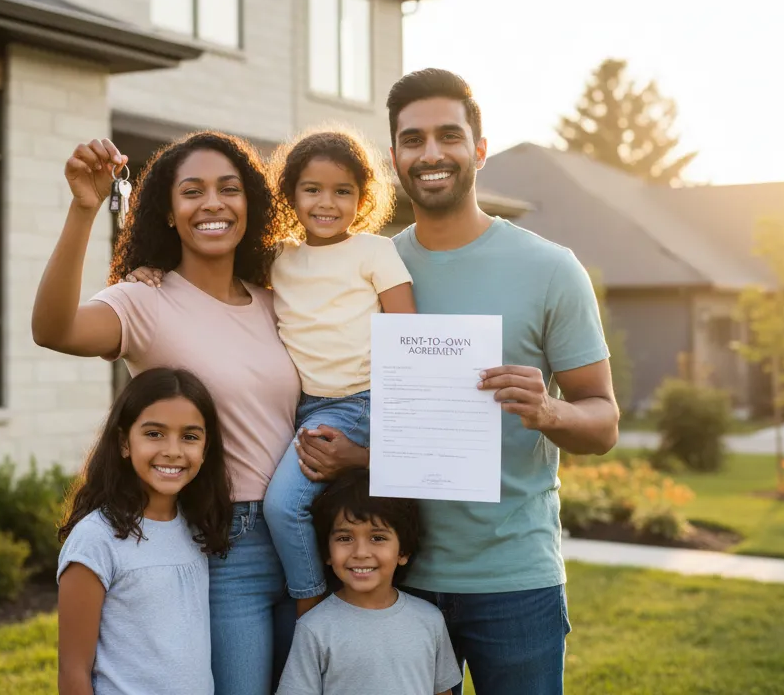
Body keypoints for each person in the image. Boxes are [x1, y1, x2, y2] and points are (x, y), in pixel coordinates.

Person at [294, 69, 619, 695]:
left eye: (449, 135)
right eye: (413, 140)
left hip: (513, 578)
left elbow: (602, 422)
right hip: (394, 576)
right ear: (393, 158)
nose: (432, 153)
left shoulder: (550, 269)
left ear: (479, 148)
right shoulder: (367, 265)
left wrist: (549, 412)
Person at [32, 132, 303, 695]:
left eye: (229, 188)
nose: (212, 203)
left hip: (304, 531)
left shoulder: (278, 301)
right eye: (192, 191)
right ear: (169, 212)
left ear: (250, 205)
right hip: (227, 539)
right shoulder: (144, 300)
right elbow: (53, 329)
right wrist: (86, 208)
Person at [260, 128, 414, 617]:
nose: (327, 203)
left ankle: (312, 604)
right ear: (290, 195)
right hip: (303, 405)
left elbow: (409, 336)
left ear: (361, 197)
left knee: (283, 506)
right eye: (312, 190)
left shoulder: (375, 251)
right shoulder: (279, 257)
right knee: (320, 512)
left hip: (358, 401)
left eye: (342, 191)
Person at [57, 367, 232, 695]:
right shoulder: (96, 538)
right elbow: (72, 671)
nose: (173, 450)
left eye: (190, 437)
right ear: (124, 442)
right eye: (154, 434)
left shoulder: (196, 527)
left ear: (206, 450)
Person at [275, 468, 462, 695]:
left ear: (403, 551)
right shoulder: (314, 627)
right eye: (345, 538)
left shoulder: (430, 620)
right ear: (327, 551)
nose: (361, 552)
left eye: (378, 538)